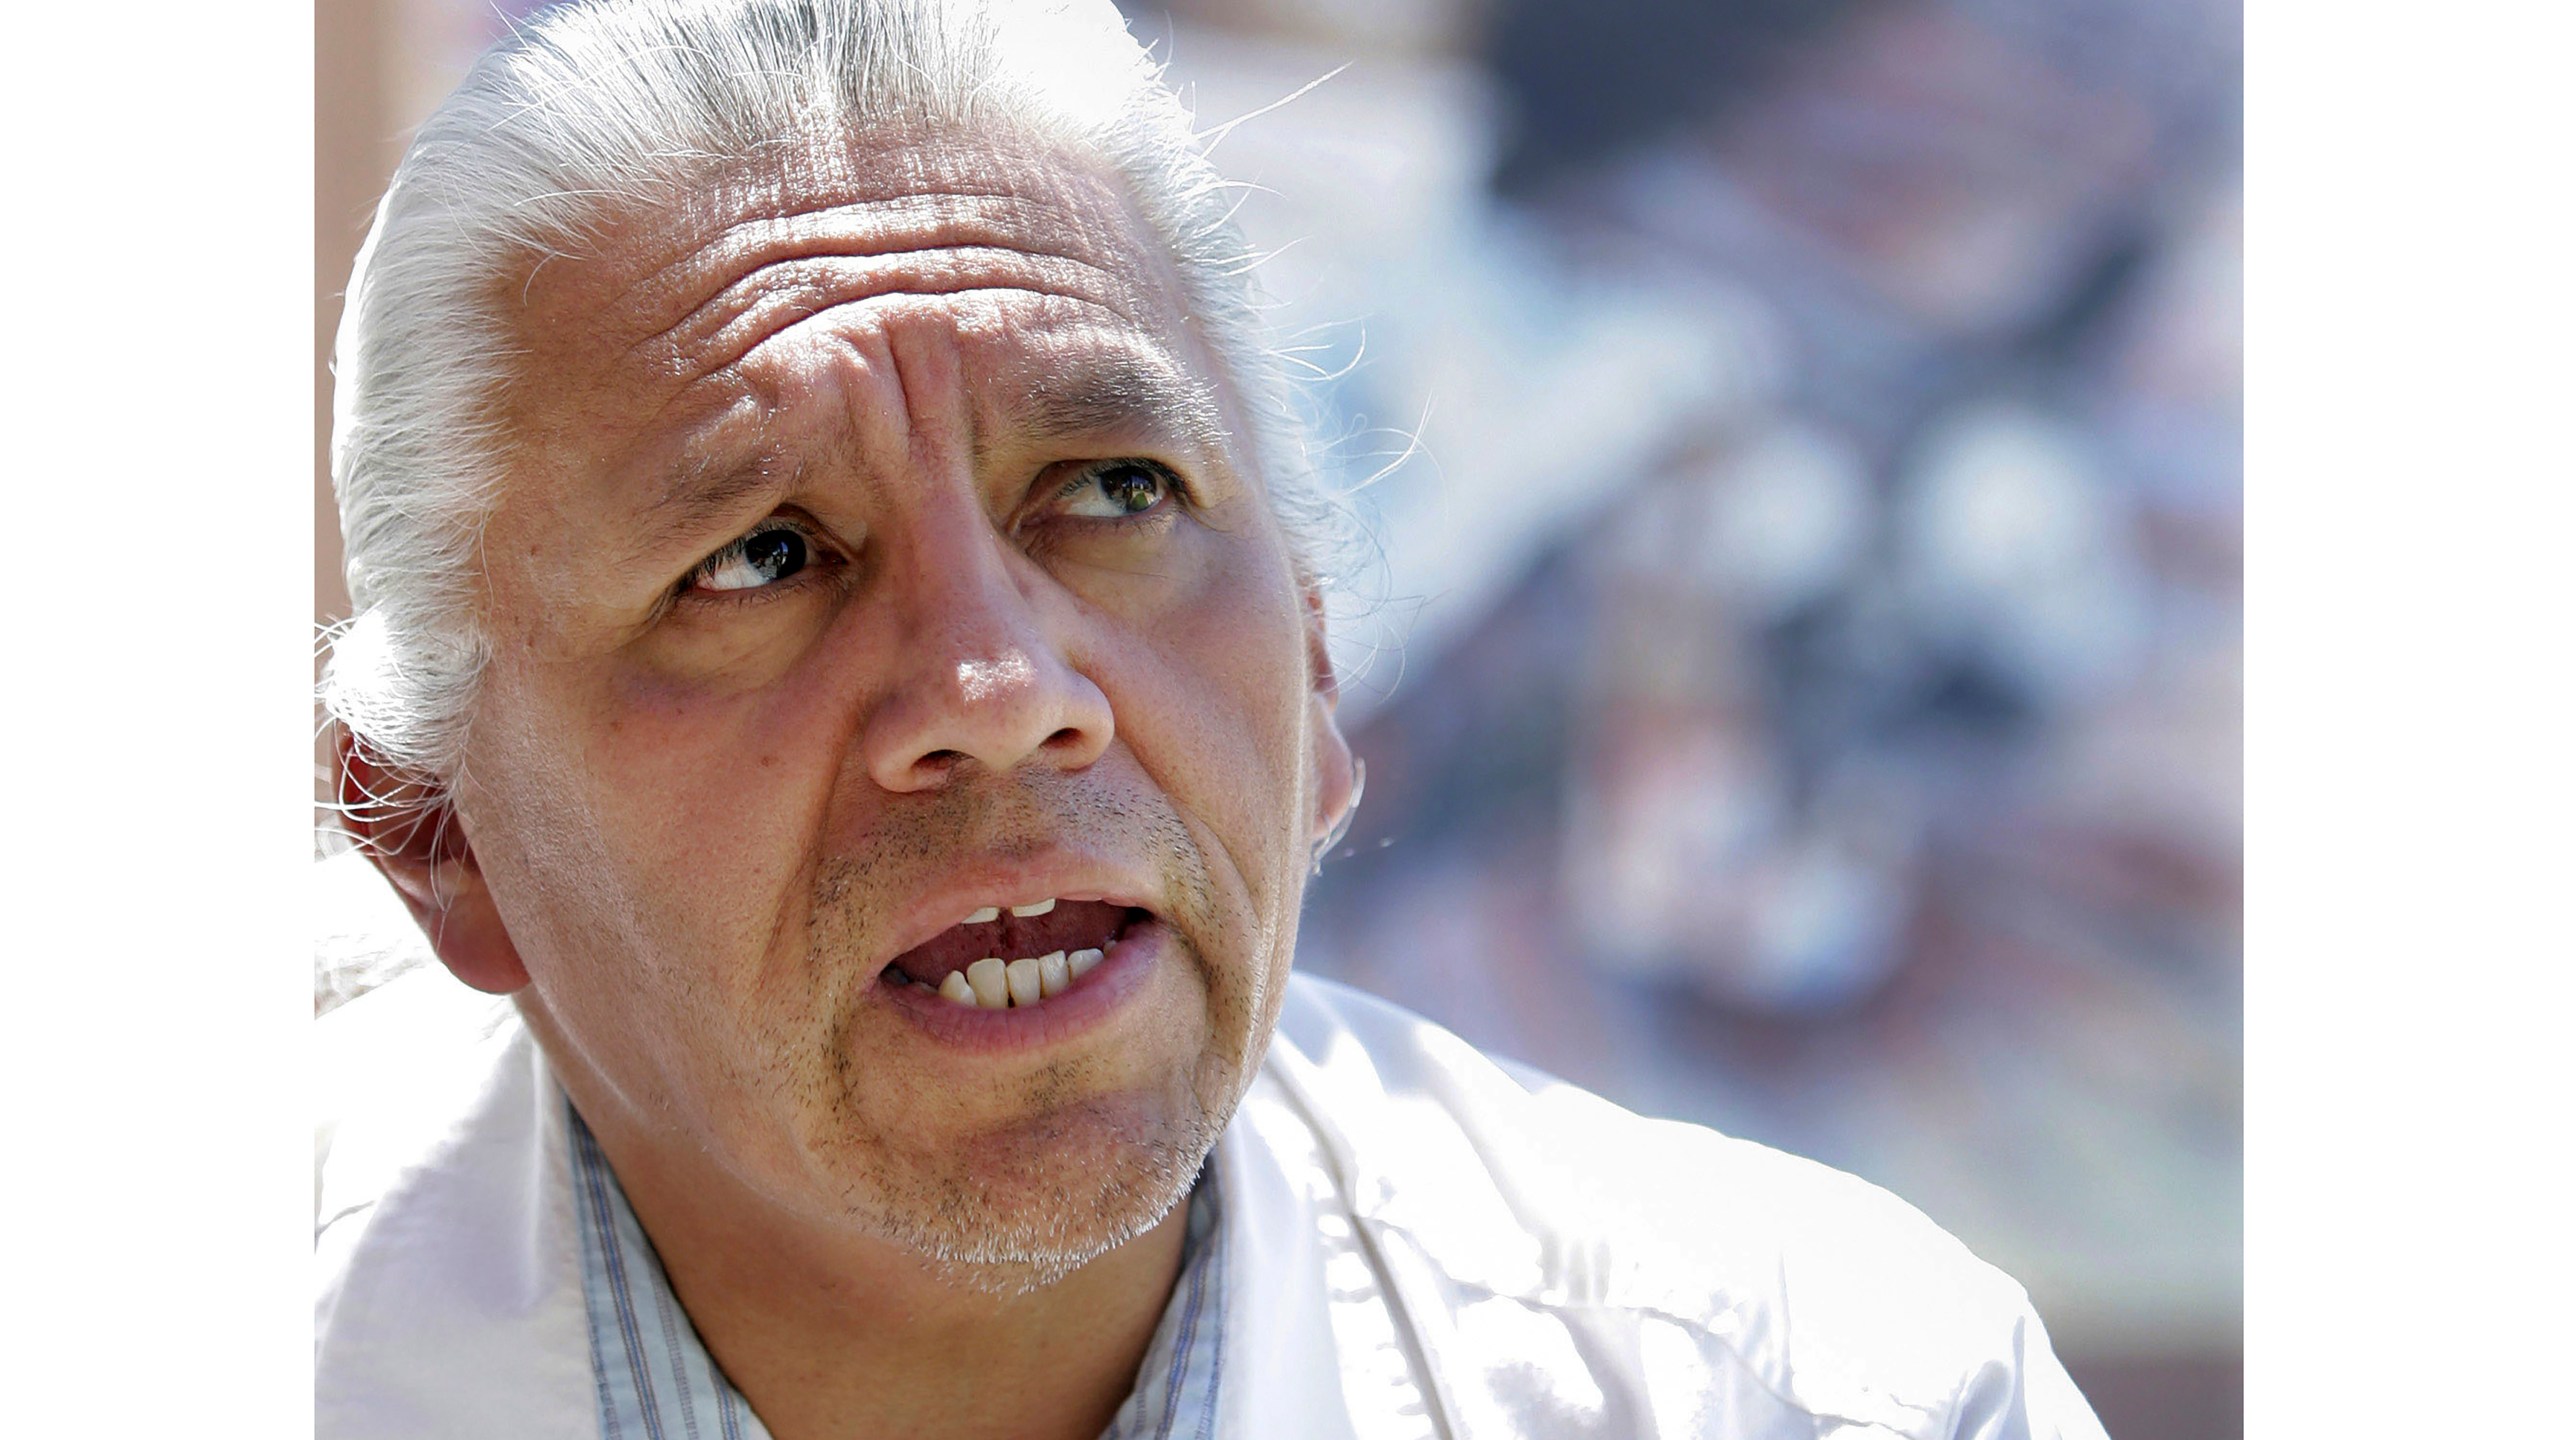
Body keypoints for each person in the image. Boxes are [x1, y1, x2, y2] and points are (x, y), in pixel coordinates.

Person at [313, 1, 2107, 1435]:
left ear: (1317, 674)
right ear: (431, 836)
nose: (1005, 696)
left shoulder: (1822, 1396)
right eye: (763, 556)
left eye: (1111, 491)